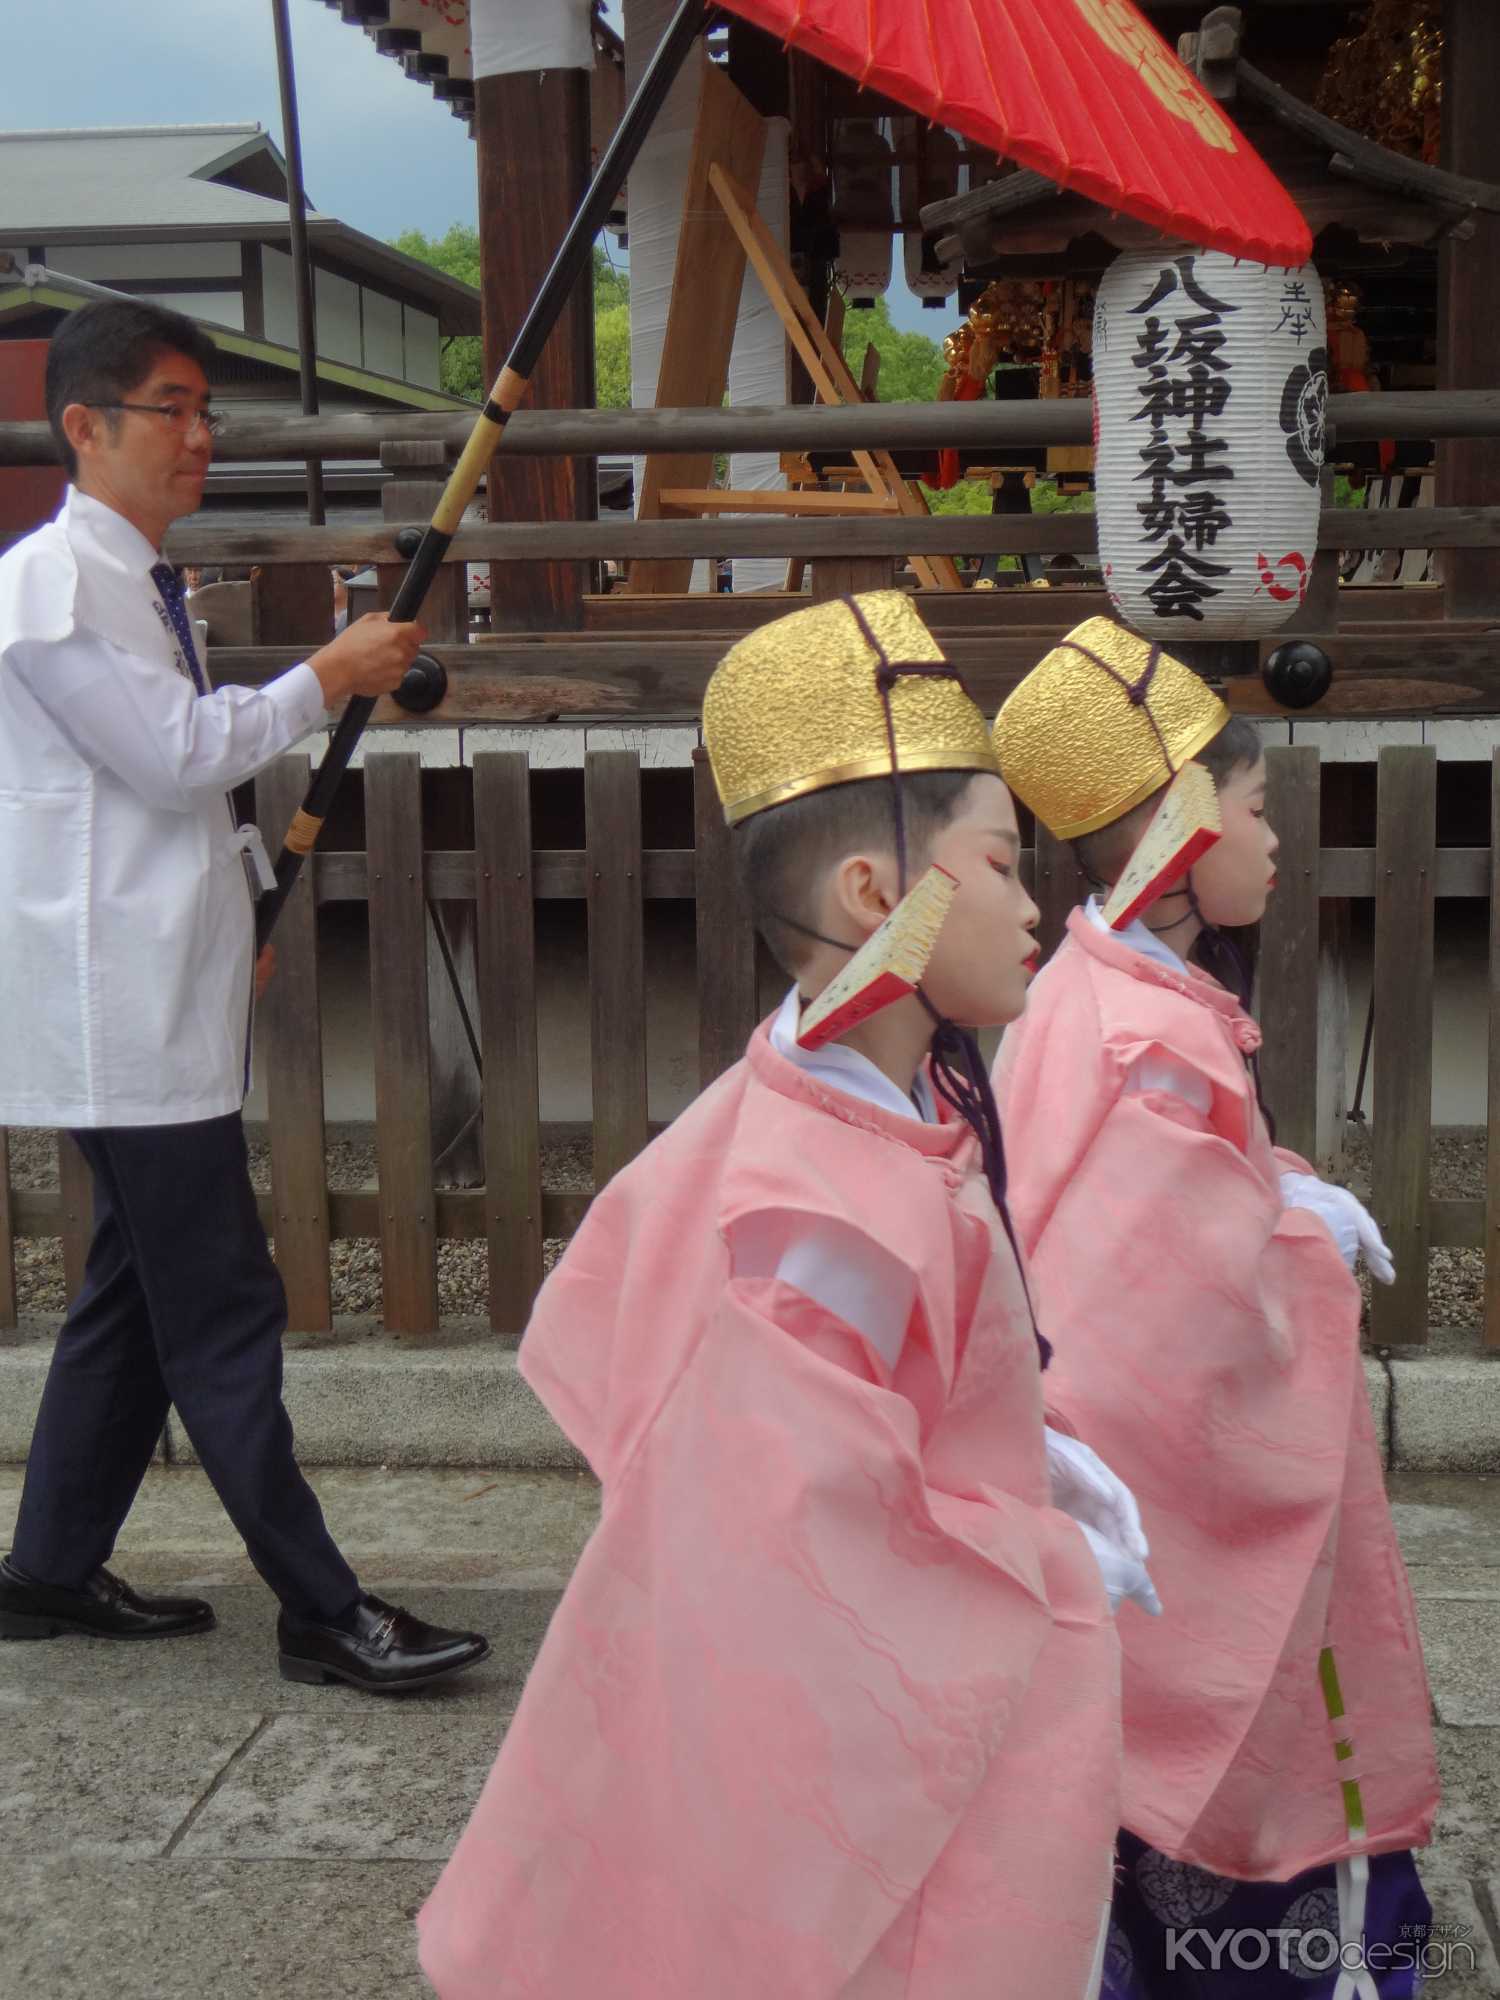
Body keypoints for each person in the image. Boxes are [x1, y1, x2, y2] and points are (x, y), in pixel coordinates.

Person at [419, 590, 1151, 2000]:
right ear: (880, 899)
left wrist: (1027, 1450)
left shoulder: (818, 1092)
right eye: (999, 864)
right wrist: (1037, 1554)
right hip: (851, 1738)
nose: (1034, 904)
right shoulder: (832, 1214)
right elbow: (816, 1552)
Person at [0, 299, 488, 1695]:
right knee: (219, 1306)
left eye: (208, 409)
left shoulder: (126, 577)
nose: (202, 436)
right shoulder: (55, 589)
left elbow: (140, 805)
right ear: (86, 427)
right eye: (174, 409)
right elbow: (172, 760)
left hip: (147, 982)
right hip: (116, 1013)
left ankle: (44, 1571)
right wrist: (325, 675)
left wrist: (225, 915)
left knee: (129, 1297)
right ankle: (322, 1607)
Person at [991, 619, 1439, 1997]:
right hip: (1170, 1505)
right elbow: (1179, 1310)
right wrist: (1287, 1239)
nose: (1273, 839)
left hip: (1102, 1495)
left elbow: (1182, 1207)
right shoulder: (1148, 1026)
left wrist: (1271, 1190)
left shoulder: (1093, 981)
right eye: (1254, 808)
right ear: (1183, 821)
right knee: (1251, 1734)